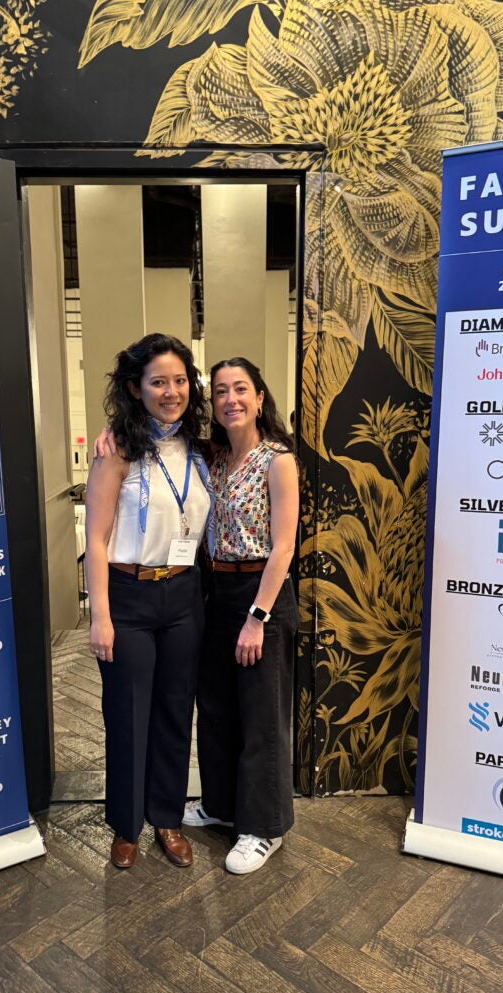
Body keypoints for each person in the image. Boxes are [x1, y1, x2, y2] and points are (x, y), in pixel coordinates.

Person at [84, 333, 212, 869]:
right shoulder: (118, 450)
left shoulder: (203, 448)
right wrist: (100, 616)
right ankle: (126, 824)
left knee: (174, 712)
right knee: (128, 714)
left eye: (180, 380)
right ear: (136, 389)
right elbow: (94, 536)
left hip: (183, 594)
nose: (171, 391)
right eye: (158, 381)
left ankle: (166, 817)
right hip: (130, 594)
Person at [183, 357, 299, 875]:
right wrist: (106, 434)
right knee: (217, 708)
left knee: (261, 716)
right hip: (217, 589)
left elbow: (284, 546)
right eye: (222, 391)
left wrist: (258, 617)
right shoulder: (213, 459)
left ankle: (263, 827)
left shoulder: (278, 460)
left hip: (260, 593)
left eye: (241, 389)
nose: (230, 398)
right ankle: (221, 805)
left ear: (258, 398)